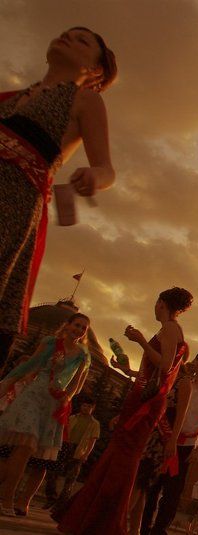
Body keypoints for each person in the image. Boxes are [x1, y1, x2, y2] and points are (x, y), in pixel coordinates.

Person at [0, 27, 117, 371]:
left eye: (82, 40)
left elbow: (106, 168)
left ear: (95, 72)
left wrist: (94, 177)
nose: (67, 37)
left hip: (13, 202)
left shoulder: (85, 100)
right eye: (67, 33)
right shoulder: (12, 96)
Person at [54, 287, 192, 534]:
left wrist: (140, 341)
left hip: (147, 404)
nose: (154, 306)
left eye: (156, 301)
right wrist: (128, 370)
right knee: (118, 456)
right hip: (142, 398)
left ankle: (105, 521)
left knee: (125, 460)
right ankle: (92, 515)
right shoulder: (169, 329)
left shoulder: (171, 328)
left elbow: (165, 364)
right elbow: (154, 373)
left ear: (162, 303)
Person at [0, 313, 91, 516]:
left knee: (24, 452)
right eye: (77, 325)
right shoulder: (50, 343)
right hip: (34, 395)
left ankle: (9, 498)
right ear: (67, 325)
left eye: (83, 328)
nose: (79, 330)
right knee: (25, 446)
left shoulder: (83, 356)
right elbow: (31, 364)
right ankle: (7, 499)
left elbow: (77, 385)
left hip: (53, 403)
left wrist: (66, 398)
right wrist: (8, 382)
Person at [140, 350, 198, 535]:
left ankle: (159, 529)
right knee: (153, 486)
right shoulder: (181, 380)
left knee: (172, 492)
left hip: (186, 444)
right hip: (165, 438)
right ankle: (144, 527)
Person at [128, 358, 193, 535]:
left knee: (141, 481)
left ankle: (119, 521)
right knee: (142, 488)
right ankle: (134, 530)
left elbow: (181, 414)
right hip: (147, 433)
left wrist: (172, 440)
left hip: (161, 439)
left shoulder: (184, 382)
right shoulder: (163, 376)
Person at [42, 396, 101, 510]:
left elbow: (92, 440)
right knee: (53, 473)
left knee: (70, 479)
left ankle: (60, 505)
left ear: (93, 408)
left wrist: (86, 454)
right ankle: (51, 497)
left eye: (89, 406)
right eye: (84, 405)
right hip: (65, 447)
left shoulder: (94, 424)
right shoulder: (73, 418)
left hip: (79, 450)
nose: (85, 408)